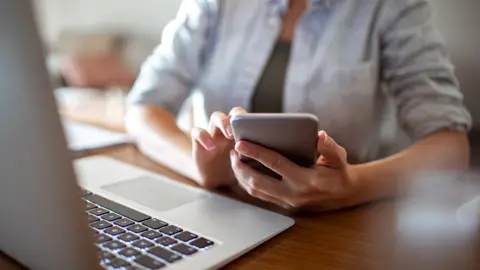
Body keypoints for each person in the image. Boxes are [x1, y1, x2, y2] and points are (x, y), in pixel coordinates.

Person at [126, 0, 472, 210]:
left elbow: (451, 147)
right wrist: (202, 167)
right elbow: (142, 108)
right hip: (222, 209)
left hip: (336, 227)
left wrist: (351, 186)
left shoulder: (390, 7)